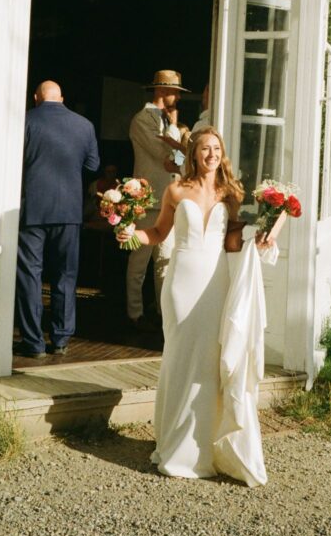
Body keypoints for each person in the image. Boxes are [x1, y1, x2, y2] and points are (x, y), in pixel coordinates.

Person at [118, 126, 282, 486]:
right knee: (180, 357)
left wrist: (261, 243)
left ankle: (203, 448)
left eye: (216, 148)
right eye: (204, 148)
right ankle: (174, 447)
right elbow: (159, 233)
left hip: (217, 282)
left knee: (210, 361)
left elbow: (234, 241)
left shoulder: (231, 192)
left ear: (221, 154)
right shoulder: (176, 189)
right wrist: (132, 234)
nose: (210, 154)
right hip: (182, 283)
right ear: (193, 154)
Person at [15, 80, 100, 359]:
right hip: (69, 210)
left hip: (33, 210)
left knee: (31, 276)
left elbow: (12, 160)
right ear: (61, 98)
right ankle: (61, 339)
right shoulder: (84, 126)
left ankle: (33, 342)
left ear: (36, 98)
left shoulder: (24, 120)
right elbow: (92, 165)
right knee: (66, 275)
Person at [126, 69, 187, 328]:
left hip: (169, 200)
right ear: (162, 92)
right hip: (148, 199)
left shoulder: (166, 122)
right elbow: (166, 156)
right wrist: (177, 138)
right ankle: (134, 314)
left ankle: (163, 316)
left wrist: (176, 138)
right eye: (175, 92)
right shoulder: (142, 120)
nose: (178, 98)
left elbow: (179, 162)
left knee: (165, 262)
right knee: (139, 261)